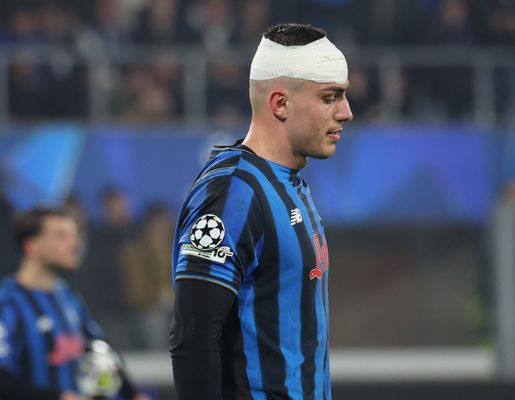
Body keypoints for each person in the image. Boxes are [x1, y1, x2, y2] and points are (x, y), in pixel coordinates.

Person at [170, 23, 352, 399]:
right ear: (280, 103)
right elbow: (193, 337)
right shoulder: (234, 193)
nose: (346, 112)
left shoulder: (290, 184)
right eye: (330, 97)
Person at [0, 207, 149, 400]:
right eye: (62, 236)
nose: (75, 243)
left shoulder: (67, 296)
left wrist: (133, 394)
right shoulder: (8, 303)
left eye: (75, 234)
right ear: (32, 246)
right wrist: (55, 398)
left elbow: (100, 349)